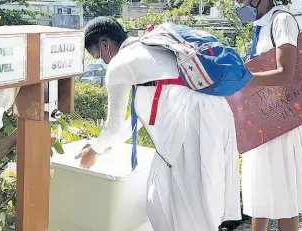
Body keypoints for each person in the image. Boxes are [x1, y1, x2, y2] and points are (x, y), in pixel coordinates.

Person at [76, 17, 242, 231]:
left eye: (99, 57)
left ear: (105, 45)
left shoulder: (119, 63)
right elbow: (134, 120)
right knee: (191, 201)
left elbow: (114, 124)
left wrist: (94, 151)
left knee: (176, 206)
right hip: (216, 114)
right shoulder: (151, 45)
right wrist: (99, 148)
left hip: (189, 125)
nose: (102, 62)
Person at [233, 0, 302, 231]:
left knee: (284, 194)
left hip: (280, 119)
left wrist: (244, 78)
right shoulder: (261, 25)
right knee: (261, 190)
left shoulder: (281, 20)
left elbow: (286, 72)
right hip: (263, 115)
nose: (240, 7)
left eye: (242, 0)